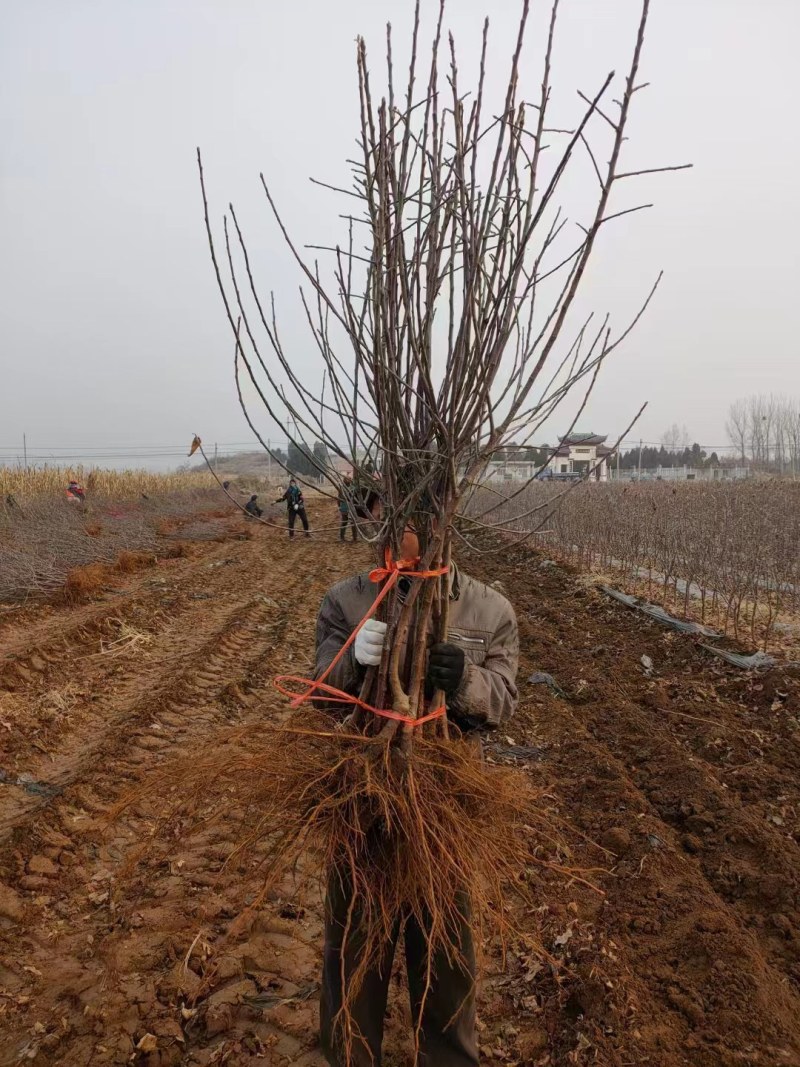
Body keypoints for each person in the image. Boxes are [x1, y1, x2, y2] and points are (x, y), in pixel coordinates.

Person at [313, 524, 519, 1067]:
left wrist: (466, 680)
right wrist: (353, 661)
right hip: (363, 802)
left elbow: (503, 701)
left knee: (446, 958)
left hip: (442, 809)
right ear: (380, 515)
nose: (412, 531)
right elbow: (321, 692)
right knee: (352, 952)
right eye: (398, 517)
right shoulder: (347, 598)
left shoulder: (488, 608)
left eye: (426, 521)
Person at [337, 476, 358, 543]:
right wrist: (339, 506)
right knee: (344, 522)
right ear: (344, 480)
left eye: (350, 479)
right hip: (344, 507)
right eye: (348, 479)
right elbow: (339, 498)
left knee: (353, 522)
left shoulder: (353, 488)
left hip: (352, 507)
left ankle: (355, 538)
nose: (349, 480)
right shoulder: (342, 488)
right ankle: (341, 537)